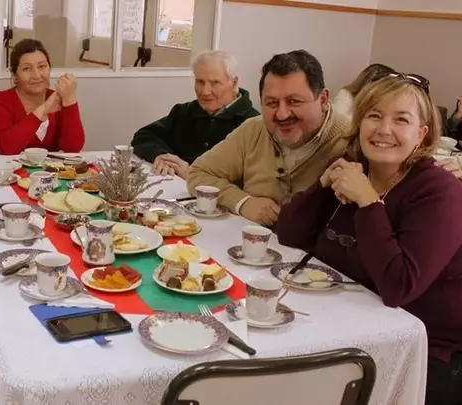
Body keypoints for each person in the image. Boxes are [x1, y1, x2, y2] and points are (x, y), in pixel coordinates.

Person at [276, 73, 462, 405]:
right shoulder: (353, 169)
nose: (383, 129)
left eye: (401, 120)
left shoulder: (440, 192)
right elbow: (289, 234)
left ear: (421, 134)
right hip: (341, 323)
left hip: (420, 348)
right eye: (374, 115)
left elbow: (399, 286)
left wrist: (368, 203)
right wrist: (323, 185)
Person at [187, 50, 352, 226]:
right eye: (271, 103)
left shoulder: (352, 140)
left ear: (323, 100)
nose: (282, 114)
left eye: (294, 101)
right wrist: (242, 202)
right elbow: (199, 174)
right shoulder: (253, 130)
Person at [131, 51, 259, 179]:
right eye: (200, 82)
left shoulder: (255, 125)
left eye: (215, 83)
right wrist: (162, 156)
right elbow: (144, 136)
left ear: (234, 83)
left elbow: (253, 181)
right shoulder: (184, 111)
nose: (205, 91)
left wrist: (194, 175)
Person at [0, 38, 85, 155]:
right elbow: (6, 147)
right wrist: (44, 109)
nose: (37, 75)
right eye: (27, 68)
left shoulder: (58, 98)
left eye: (42, 66)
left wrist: (70, 99)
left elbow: (73, 148)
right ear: (14, 75)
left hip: (50, 168)